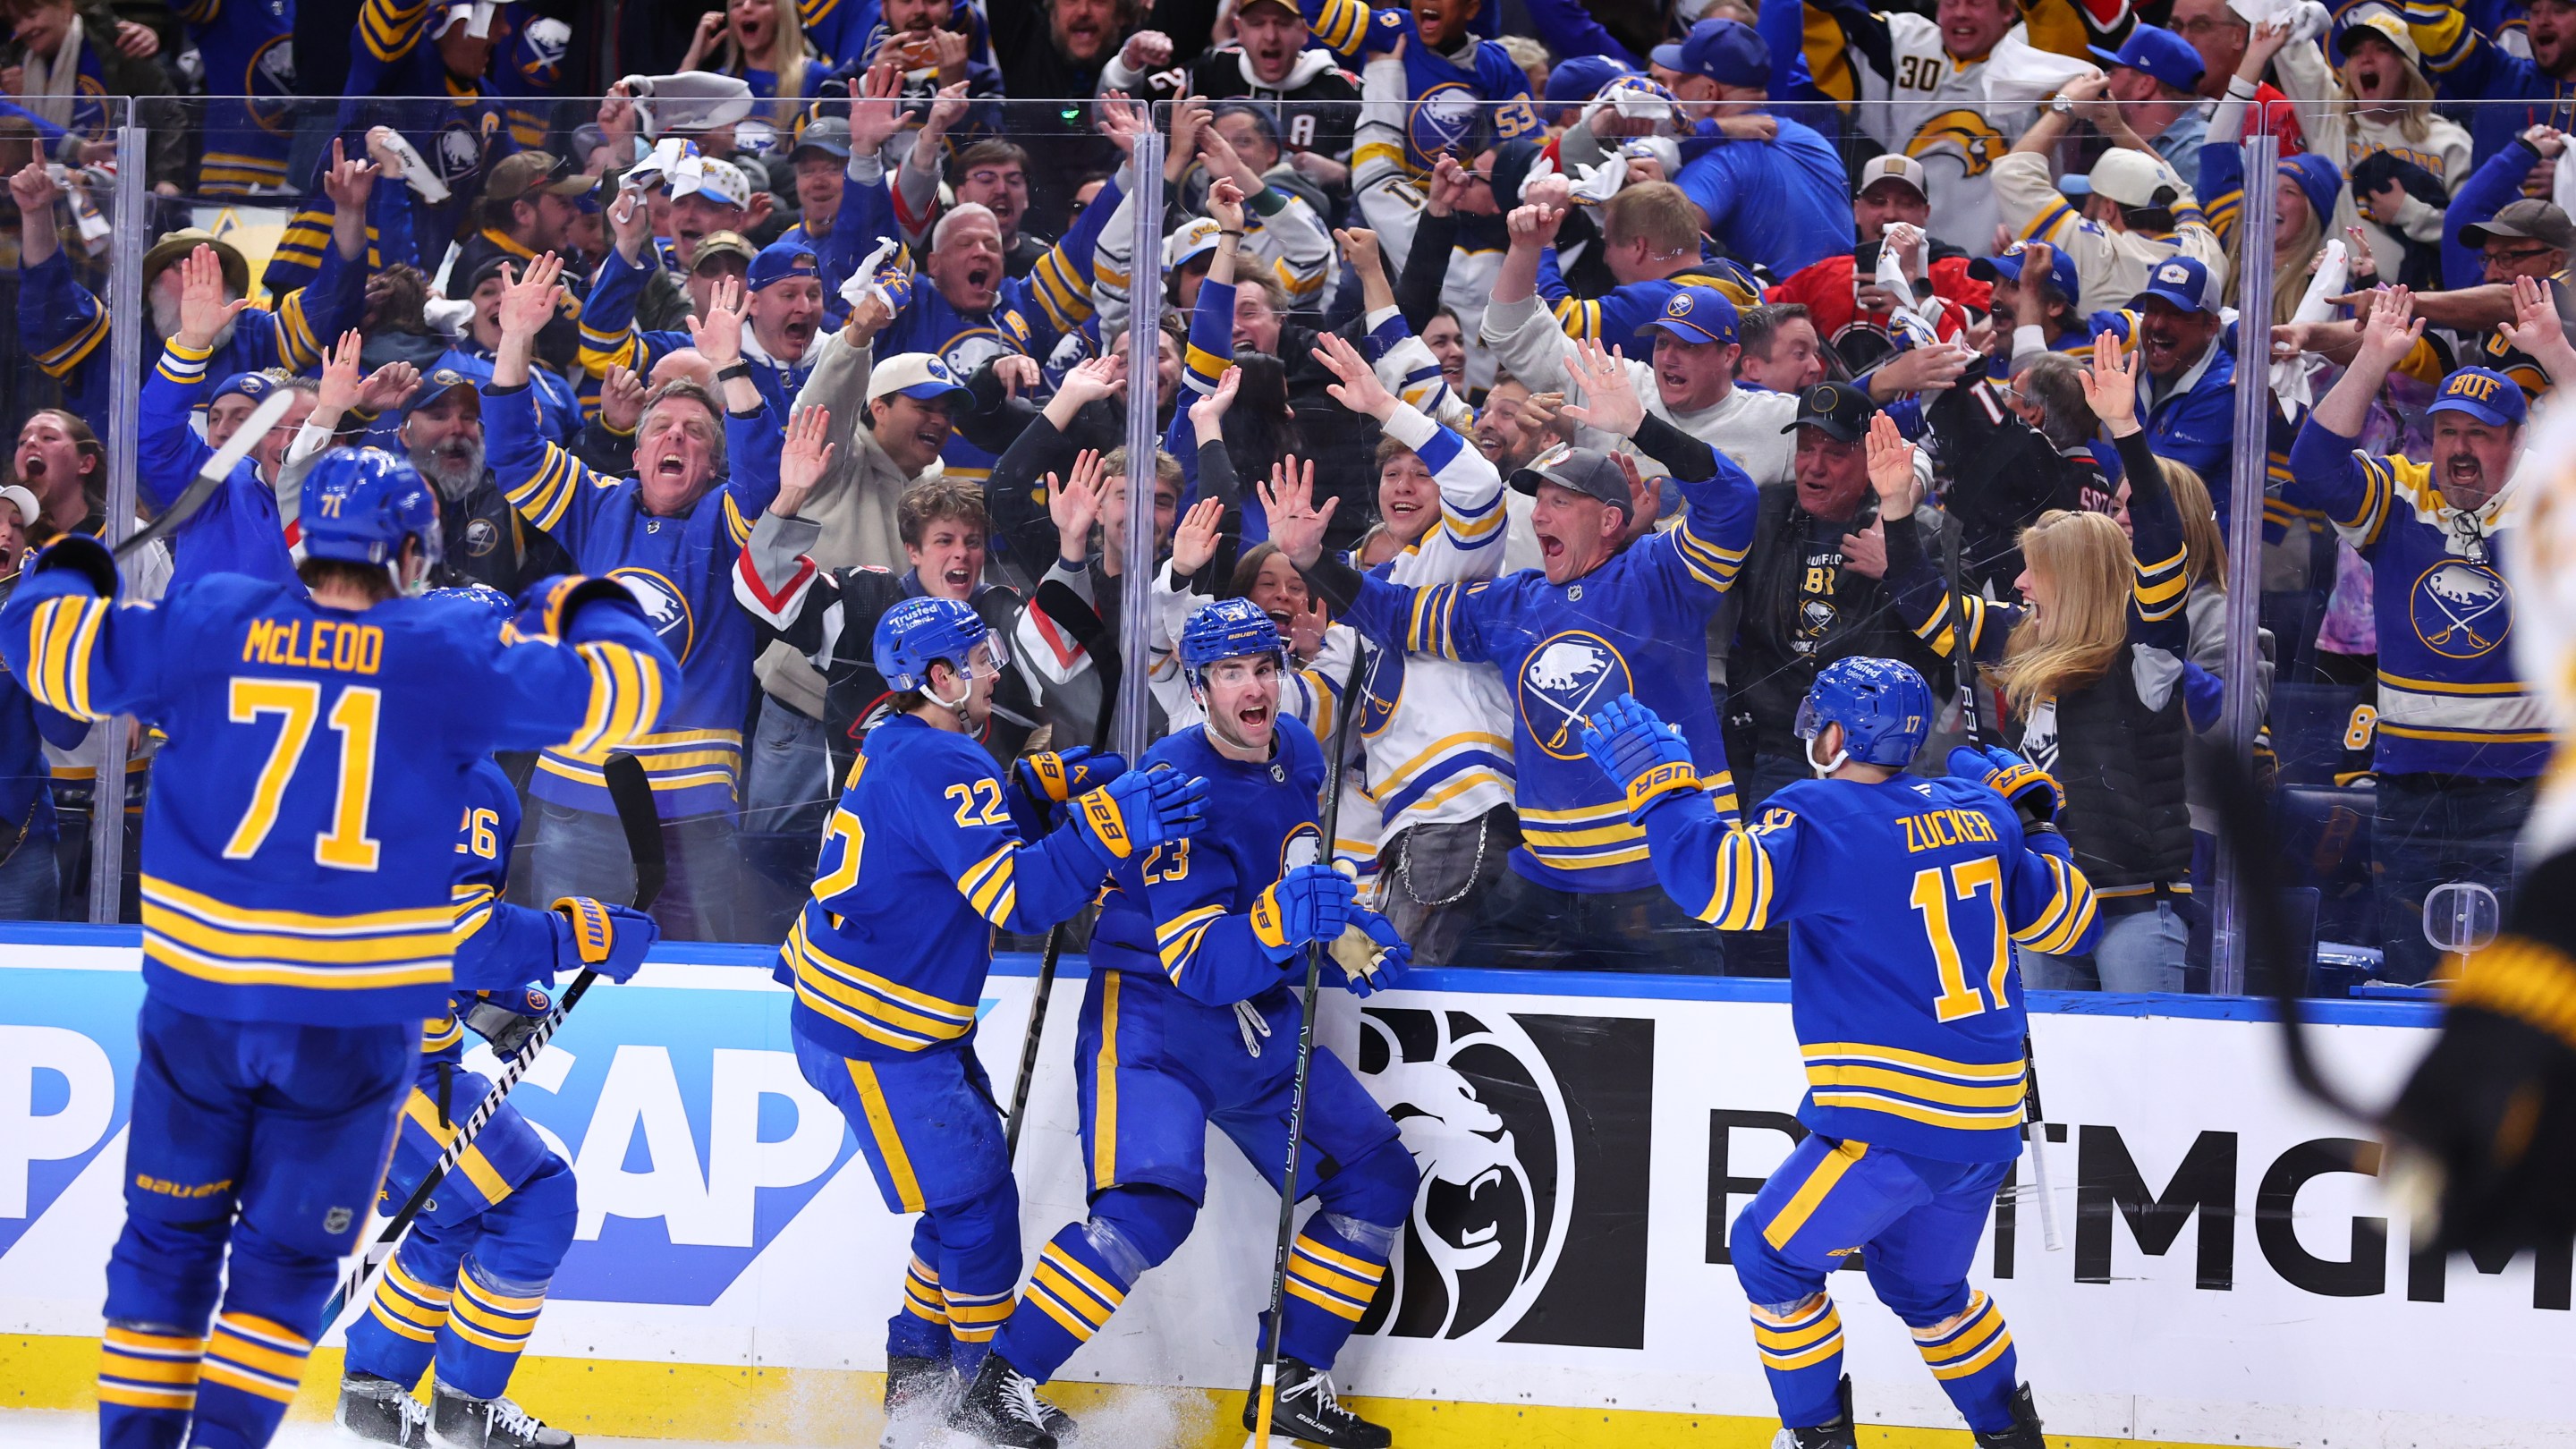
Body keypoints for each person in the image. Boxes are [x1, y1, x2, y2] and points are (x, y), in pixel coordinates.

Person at [4, 447, 672, 1449]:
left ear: (305, 542)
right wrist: (582, 596)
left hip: (204, 1006)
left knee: (167, 1247)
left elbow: (43, 648)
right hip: (351, 1027)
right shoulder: (445, 646)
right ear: (410, 554)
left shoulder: (215, 615)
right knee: (281, 1271)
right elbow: (630, 695)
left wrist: (70, 567)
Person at [1572, 659, 2094, 1449]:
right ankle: (2013, 1440)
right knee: (1927, 1289)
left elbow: (1727, 891)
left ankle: (1817, 1440)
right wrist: (2038, 822)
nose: (1812, 731)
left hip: (1895, 1124)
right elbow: (2066, 922)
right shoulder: (1980, 814)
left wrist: (1668, 792)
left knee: (1769, 1257)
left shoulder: (1818, 810)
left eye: (1821, 719)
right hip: (1986, 1126)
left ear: (1840, 733)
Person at [976, 598, 1414, 1449]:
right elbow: (1200, 965)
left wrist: (1348, 926)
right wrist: (1289, 924)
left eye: (1263, 667)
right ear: (1199, 685)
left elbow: (1288, 873)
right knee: (1149, 1208)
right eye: (1230, 673)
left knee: (1376, 1175)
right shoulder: (1177, 784)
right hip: (1153, 1021)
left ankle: (1292, 1379)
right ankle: (1000, 1387)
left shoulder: (1292, 745)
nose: (1253, 688)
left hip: (1250, 1016)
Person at [781, 592, 1207, 1447]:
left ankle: (916, 1382)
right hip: (881, 1040)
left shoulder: (900, 738)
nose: (993, 670)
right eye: (978, 660)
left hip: (854, 1019)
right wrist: (1105, 830)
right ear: (938, 678)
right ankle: (983, 1400)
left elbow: (936, 832)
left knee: (958, 1203)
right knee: (979, 1214)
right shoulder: (949, 764)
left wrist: (1028, 788)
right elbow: (1017, 898)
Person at [1277, 341, 1759, 973]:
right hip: (1548, 890)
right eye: (1537, 500)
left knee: (1691, 1059)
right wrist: (1310, 562)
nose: (1540, 515)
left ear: (1612, 519)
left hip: (1663, 881)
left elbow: (1734, 503)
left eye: (1560, 501)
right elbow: (1393, 615)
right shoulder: (1512, 602)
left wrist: (1643, 425)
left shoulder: (1659, 576)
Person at [336, 739, 659, 1449]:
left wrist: (492, 1001)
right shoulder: (463, 775)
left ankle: (375, 1391)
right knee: (534, 1198)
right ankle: (467, 1408)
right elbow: (459, 935)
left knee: (454, 1214)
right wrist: (583, 935)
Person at [1882, 335, 2196, 993]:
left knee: (2140, 1086)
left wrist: (2126, 430)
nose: (2020, 585)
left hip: (2134, 908)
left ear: (2076, 578)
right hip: (2047, 908)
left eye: (2034, 571)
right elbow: (1922, 604)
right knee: (2048, 1085)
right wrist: (1895, 510)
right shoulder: (2021, 638)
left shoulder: (2145, 651)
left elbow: (2164, 542)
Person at [488, 254, 780, 941]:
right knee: (565, 963)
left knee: (696, 970)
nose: (675, 436)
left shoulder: (728, 521)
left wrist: (731, 366)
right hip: (574, 796)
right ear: (639, 451)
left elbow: (765, 480)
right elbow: (515, 455)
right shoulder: (598, 505)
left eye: (695, 433)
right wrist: (514, 340)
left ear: (712, 463)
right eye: (660, 429)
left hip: (694, 808)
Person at [2284, 284, 2551, 983]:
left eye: (2481, 434)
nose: (2459, 451)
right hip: (2408, 790)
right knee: (2409, 979)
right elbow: (2314, 466)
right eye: (2447, 433)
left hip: (2522, 795)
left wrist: (2553, 350)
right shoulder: (2403, 493)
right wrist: (2372, 357)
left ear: (2520, 442)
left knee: (2508, 996)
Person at [1761, 0, 2098, 251]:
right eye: (1951, 2)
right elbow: (1815, 13)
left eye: (1976, 3)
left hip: (1999, 261)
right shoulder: (1900, 46)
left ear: (2009, 11)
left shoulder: (2036, 57)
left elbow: (2073, 21)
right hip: (1903, 259)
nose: (1961, 13)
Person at [1995, 86, 2224, 317]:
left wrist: (2066, 105)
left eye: (2090, 198)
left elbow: (2013, 172)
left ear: (2108, 208)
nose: (2084, 208)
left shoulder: (2093, 251)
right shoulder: (2202, 249)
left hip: (2098, 353)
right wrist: (2116, 127)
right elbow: (2174, 186)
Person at [1650, 18, 1851, 278]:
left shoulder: (1720, 160)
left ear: (1710, 93)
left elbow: (1660, 244)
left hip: (1777, 312)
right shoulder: (1811, 139)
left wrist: (1654, 193)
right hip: (1843, 304)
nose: (1672, 93)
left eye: (1681, 82)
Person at [1766, 156, 1997, 376]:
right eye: (1878, 201)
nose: (1891, 214)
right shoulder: (1824, 276)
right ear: (1857, 210)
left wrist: (1918, 303)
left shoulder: (1956, 272)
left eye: (1906, 203)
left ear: (1925, 213)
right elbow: (1760, 313)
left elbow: (1991, 328)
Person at [2092, 23, 2210, 187]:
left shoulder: (2198, 156)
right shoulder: (2141, 145)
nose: (2104, 79)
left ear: (2144, 86)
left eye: (2113, 71)